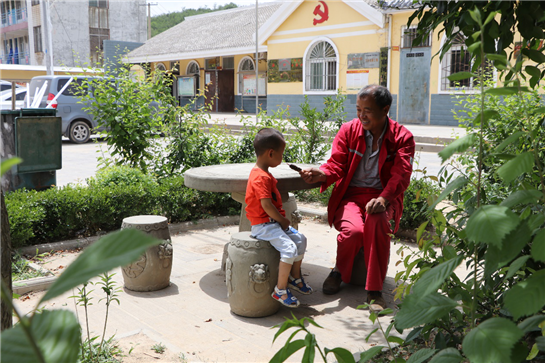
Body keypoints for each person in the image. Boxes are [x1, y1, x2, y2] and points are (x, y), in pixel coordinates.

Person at [300, 85, 415, 311]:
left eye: (368, 110)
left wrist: (383, 199)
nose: (361, 115)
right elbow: (337, 163)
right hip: (350, 196)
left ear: (385, 110)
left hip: (382, 198)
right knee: (353, 232)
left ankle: (374, 291)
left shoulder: (402, 137)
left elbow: (401, 174)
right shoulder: (349, 130)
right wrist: (322, 174)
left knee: (378, 224)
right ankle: (339, 271)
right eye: (358, 109)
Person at [245, 128, 313, 308]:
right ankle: (280, 290)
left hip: (272, 224)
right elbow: (266, 206)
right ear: (271, 153)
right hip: (263, 226)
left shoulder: (264, 174)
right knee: (289, 249)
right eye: (281, 154)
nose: (282, 158)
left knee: (300, 239)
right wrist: (283, 221)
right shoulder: (260, 177)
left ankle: (294, 277)